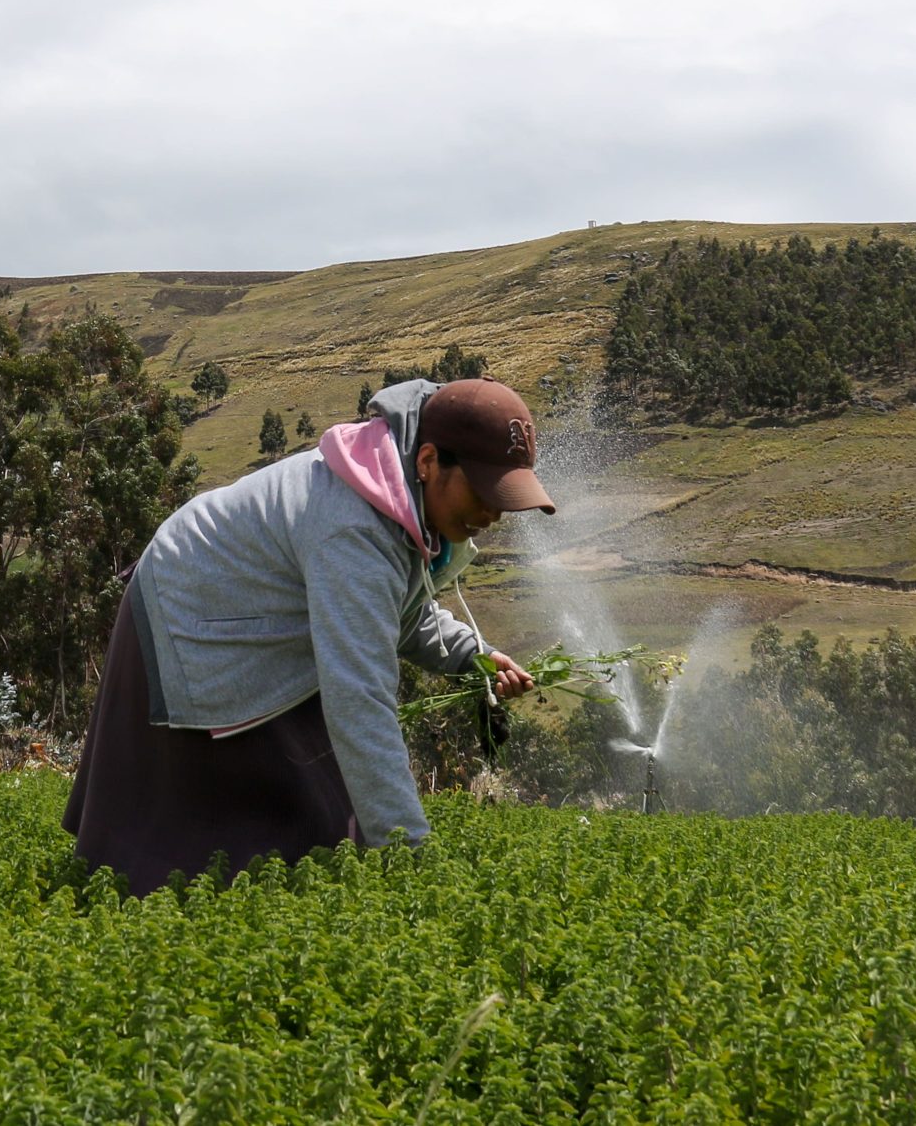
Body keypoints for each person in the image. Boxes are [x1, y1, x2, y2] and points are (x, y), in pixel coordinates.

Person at [63, 376, 556, 893]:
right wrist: (409, 854)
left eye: (504, 497)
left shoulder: (401, 498)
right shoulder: (354, 528)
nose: (493, 513)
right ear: (429, 461)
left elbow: (401, 610)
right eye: (482, 491)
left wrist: (471, 655)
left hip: (256, 622)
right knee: (230, 830)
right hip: (191, 618)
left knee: (314, 817)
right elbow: (360, 698)